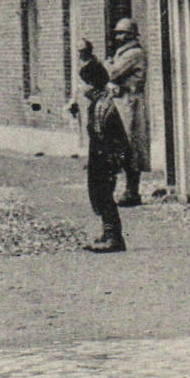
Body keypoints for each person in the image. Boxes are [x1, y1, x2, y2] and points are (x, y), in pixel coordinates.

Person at [78, 58, 130, 253]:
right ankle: (107, 232)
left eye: (86, 84)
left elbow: (108, 135)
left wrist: (113, 159)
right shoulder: (97, 103)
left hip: (106, 155)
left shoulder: (103, 106)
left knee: (105, 194)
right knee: (98, 194)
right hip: (99, 154)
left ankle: (114, 236)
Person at [107, 18, 150, 205]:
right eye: (117, 33)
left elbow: (112, 73)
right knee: (122, 145)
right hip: (122, 101)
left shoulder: (133, 53)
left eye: (123, 33)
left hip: (130, 102)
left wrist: (108, 66)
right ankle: (128, 190)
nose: (119, 36)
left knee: (130, 145)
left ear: (132, 35)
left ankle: (132, 192)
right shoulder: (123, 52)